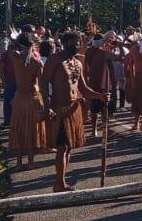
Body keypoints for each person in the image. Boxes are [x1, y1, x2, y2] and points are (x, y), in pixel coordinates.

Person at [44, 32, 105, 192]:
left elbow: (84, 89)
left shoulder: (78, 63)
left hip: (74, 108)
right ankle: (59, 183)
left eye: (78, 42)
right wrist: (46, 106)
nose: (76, 45)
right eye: (73, 43)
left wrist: (100, 96)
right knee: (62, 146)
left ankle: (61, 181)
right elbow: (43, 83)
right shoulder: (54, 59)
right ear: (65, 43)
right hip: (59, 108)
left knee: (69, 147)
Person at [6, 34, 47, 171]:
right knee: (31, 130)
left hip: (19, 98)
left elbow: (10, 48)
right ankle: (30, 161)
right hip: (33, 97)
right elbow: (42, 85)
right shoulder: (37, 62)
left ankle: (18, 163)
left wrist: (17, 45)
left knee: (19, 129)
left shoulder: (15, 58)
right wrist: (46, 103)